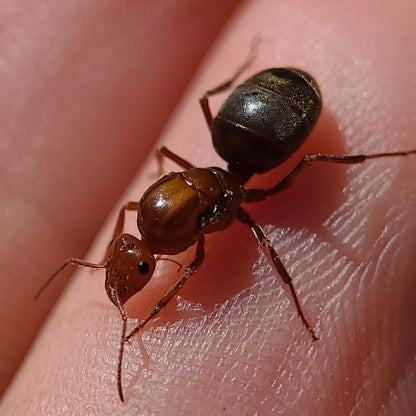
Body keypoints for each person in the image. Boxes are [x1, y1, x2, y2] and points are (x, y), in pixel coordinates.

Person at [1, 0, 415, 414]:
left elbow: (195, 257)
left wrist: (157, 311)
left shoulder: (169, 221)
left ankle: (394, 155)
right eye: (133, 262)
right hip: (247, 133)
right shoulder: (149, 215)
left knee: (306, 166)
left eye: (131, 262)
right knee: (202, 106)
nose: (130, 274)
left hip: (280, 118)